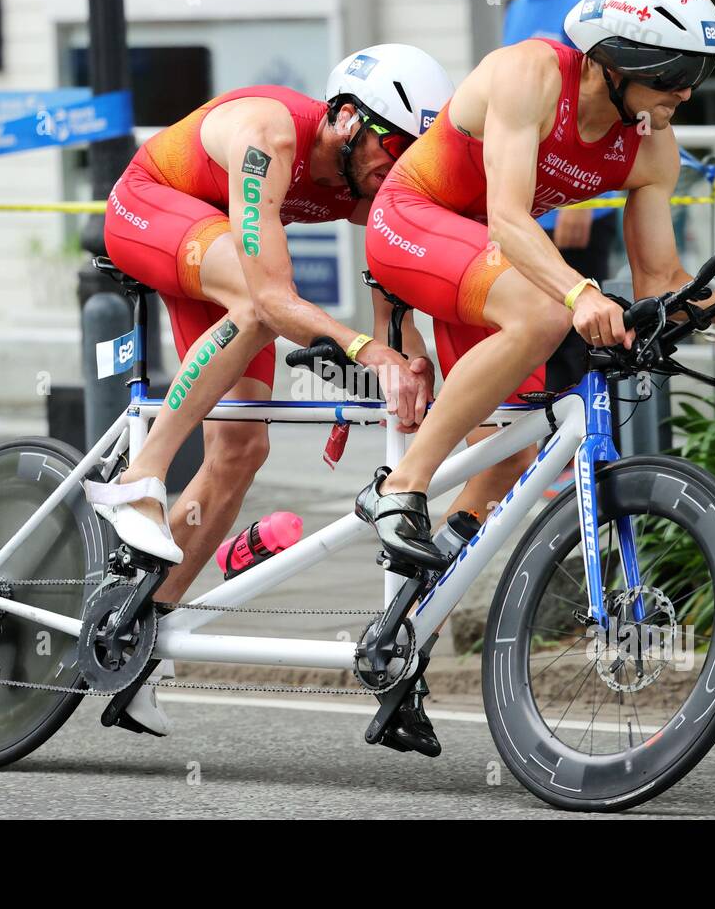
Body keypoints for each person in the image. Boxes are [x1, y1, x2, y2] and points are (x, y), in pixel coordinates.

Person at [357, 0, 715, 677]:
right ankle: (398, 488)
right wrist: (578, 294)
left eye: (697, 73)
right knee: (546, 313)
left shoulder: (651, 144)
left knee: (508, 456)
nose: (686, 90)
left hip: (489, 263)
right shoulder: (528, 75)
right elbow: (511, 216)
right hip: (417, 223)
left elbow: (662, 282)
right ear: (614, 59)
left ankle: (401, 644)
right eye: (674, 71)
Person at [92, 45, 453, 738]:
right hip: (151, 210)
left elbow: (390, 276)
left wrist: (402, 359)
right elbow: (270, 294)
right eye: (393, 144)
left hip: (218, 250)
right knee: (260, 305)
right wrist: (361, 349)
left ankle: (140, 637)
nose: (397, 164)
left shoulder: (364, 182)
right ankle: (141, 476)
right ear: (347, 119)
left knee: (240, 451)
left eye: (413, 153)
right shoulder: (271, 134)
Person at [504, 0, 624, 405]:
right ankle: (543, 462)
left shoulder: (587, 7)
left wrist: (584, 201)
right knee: (538, 335)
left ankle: (589, 462)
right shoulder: (517, 8)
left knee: (581, 339)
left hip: (574, 205)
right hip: (527, 209)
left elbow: (602, 105)